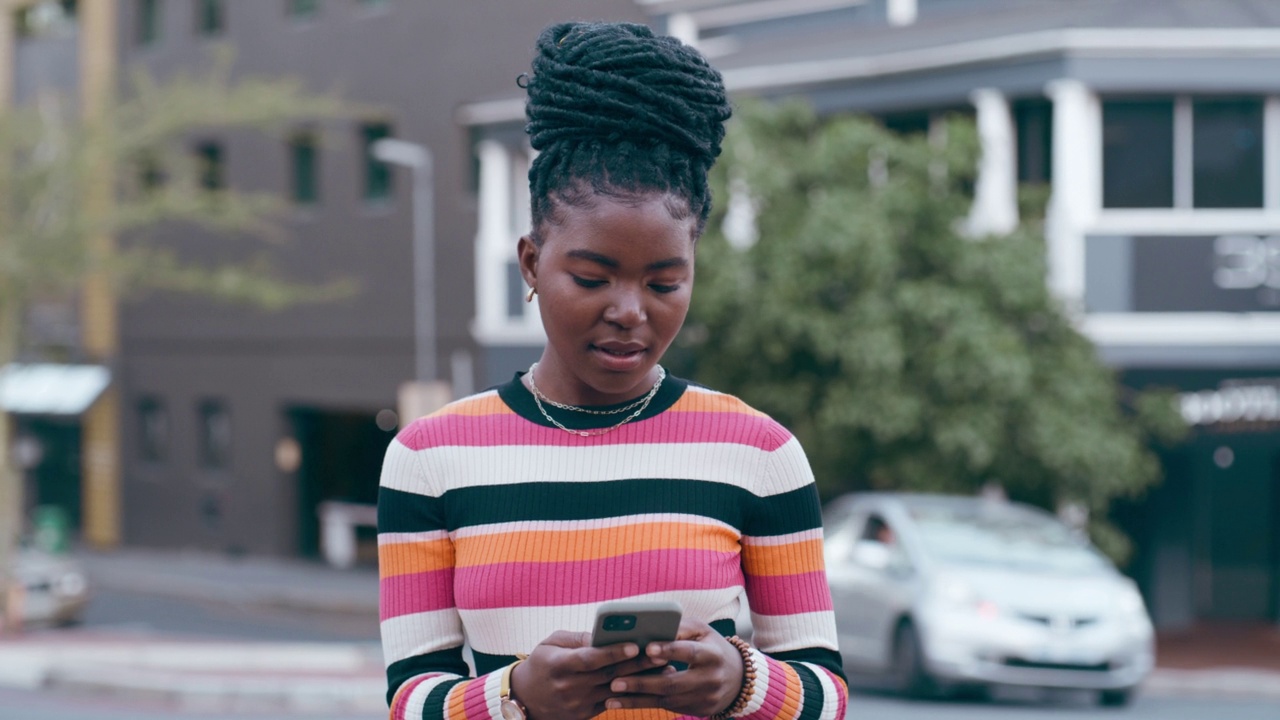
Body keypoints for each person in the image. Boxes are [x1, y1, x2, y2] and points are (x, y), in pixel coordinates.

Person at [378, 21, 847, 720]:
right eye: (593, 278)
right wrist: (518, 697)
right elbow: (411, 698)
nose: (631, 312)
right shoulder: (428, 458)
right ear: (532, 263)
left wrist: (740, 681)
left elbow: (827, 693)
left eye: (664, 284)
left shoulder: (760, 452)